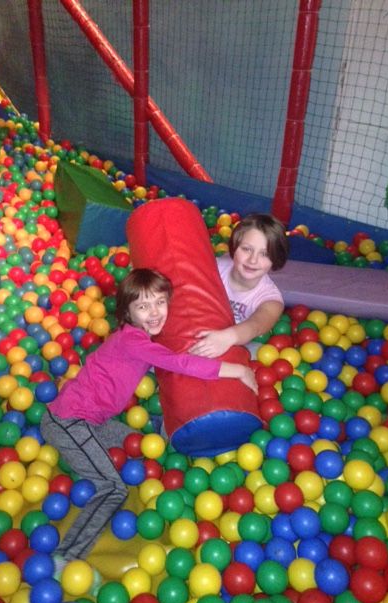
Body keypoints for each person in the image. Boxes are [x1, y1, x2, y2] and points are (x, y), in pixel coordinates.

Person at [40, 268, 257, 568]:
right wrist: (239, 370)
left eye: (160, 302)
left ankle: (156, 431)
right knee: (113, 488)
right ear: (127, 313)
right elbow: (179, 363)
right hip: (68, 422)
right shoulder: (133, 341)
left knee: (140, 444)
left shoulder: (136, 339)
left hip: (92, 422)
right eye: (143, 306)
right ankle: (65, 557)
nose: (154, 313)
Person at [189, 213, 288, 359]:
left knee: (257, 353)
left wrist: (228, 337)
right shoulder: (212, 269)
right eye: (247, 249)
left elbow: (256, 324)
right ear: (234, 247)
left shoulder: (271, 300)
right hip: (197, 331)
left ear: (275, 260)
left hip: (235, 343)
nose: (253, 260)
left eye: (265, 254)